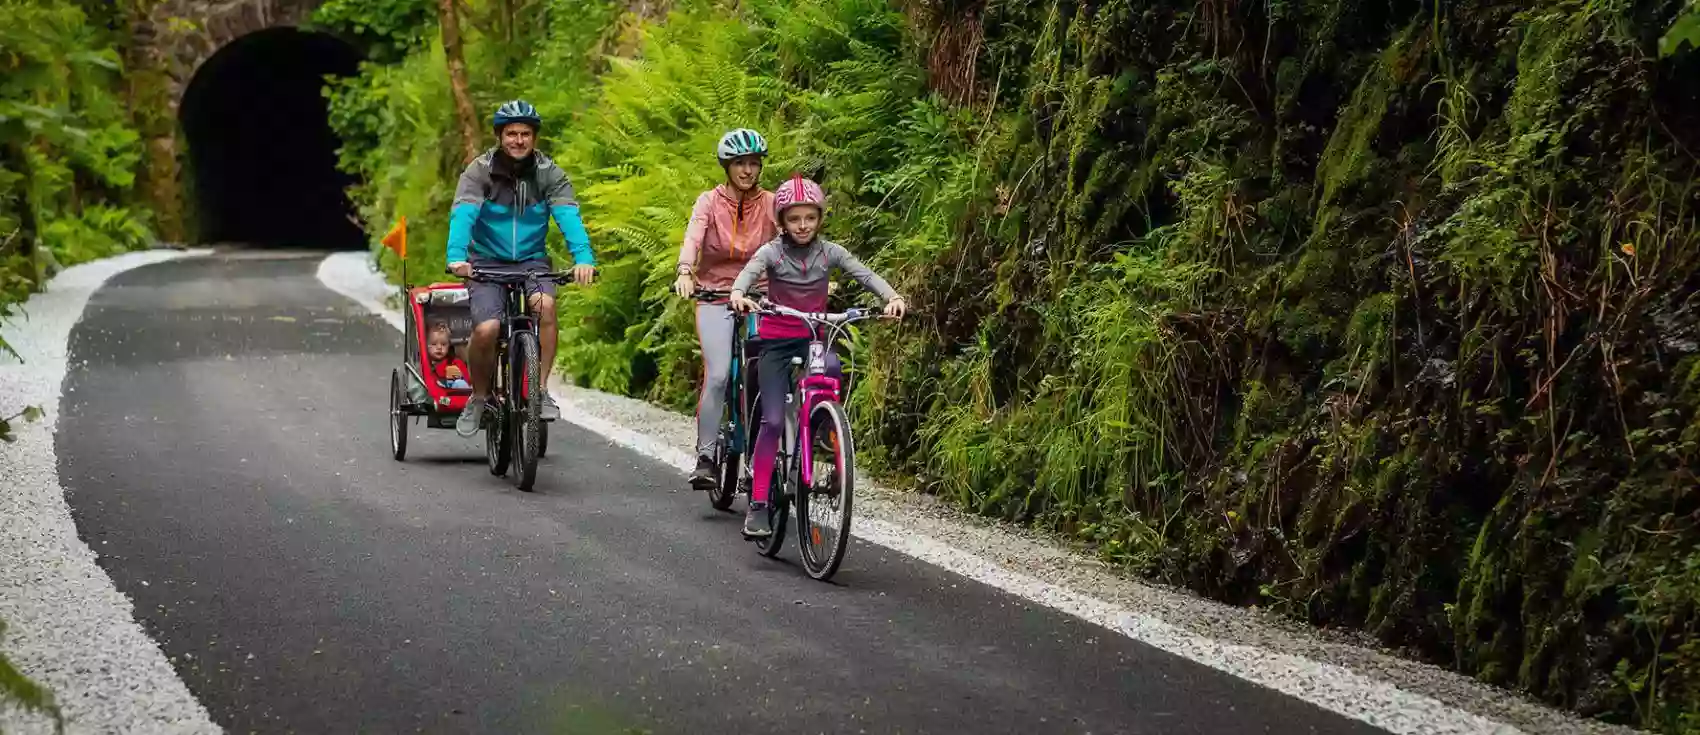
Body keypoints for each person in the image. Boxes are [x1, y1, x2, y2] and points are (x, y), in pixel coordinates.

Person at [729, 175, 906, 537]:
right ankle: (759, 502)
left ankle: (824, 429)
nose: (803, 225)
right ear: (782, 222)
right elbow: (747, 275)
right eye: (794, 219)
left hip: (812, 339)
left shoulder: (831, 252)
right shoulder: (772, 253)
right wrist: (738, 293)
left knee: (832, 366)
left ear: (820, 218)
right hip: (776, 342)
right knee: (774, 421)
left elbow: (864, 274)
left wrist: (893, 297)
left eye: (810, 218)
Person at [446, 100, 597, 437]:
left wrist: (583, 258)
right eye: (511, 133)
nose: (518, 140)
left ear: (534, 137)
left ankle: (540, 390)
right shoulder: (479, 171)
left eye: (525, 134)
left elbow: (569, 216)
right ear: (500, 136)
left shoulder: (549, 173)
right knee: (486, 329)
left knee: (546, 307)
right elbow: (464, 213)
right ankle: (480, 397)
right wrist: (457, 256)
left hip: (531, 260)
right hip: (486, 260)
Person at [673, 128, 780, 491]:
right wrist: (686, 271)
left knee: (763, 377)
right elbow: (693, 236)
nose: (748, 171)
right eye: (740, 164)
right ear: (727, 166)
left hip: (761, 296)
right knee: (719, 375)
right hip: (713, 293)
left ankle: (760, 457)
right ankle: (705, 456)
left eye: (754, 163)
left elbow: (793, 240)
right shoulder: (709, 202)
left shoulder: (770, 203)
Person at [426, 322, 471, 390]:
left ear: (449, 346)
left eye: (443, 344)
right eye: (434, 344)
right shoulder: (423, 364)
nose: (439, 347)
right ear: (426, 346)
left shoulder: (456, 363)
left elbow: (468, 383)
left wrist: (460, 376)